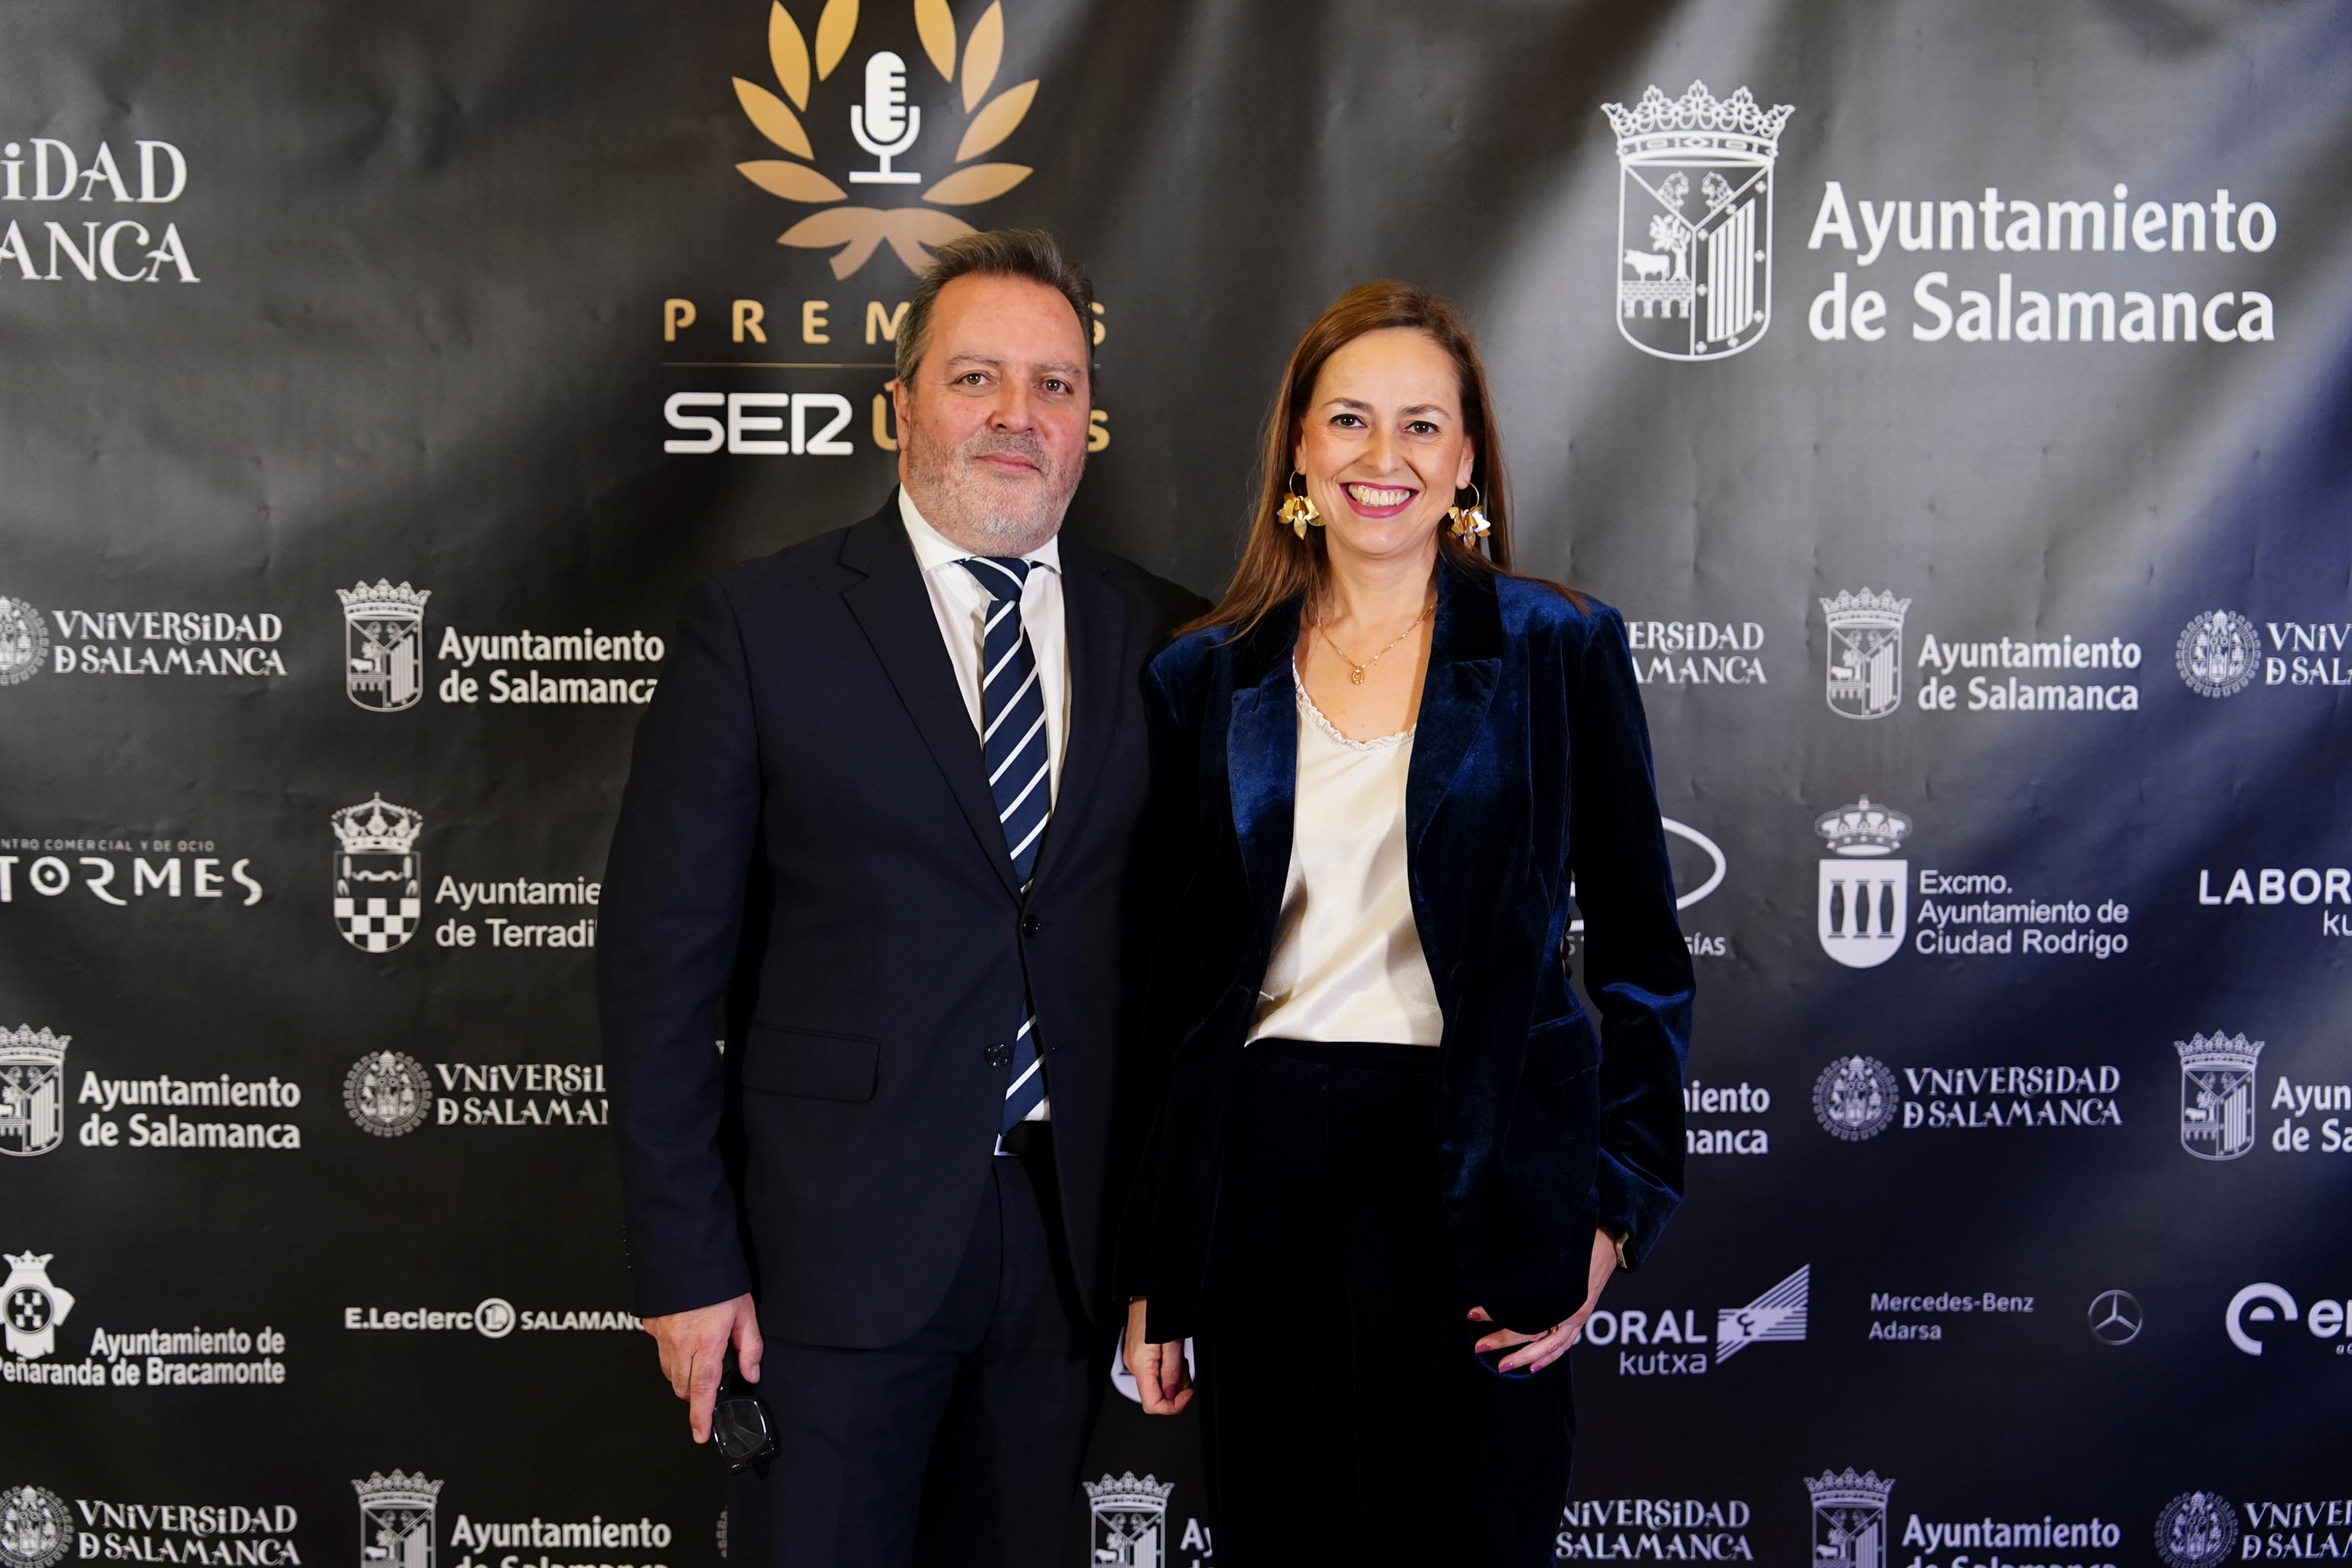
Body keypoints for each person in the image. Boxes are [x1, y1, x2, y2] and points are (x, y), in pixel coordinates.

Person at [598, 228, 1201, 1568]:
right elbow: (656, 972)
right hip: (827, 1258)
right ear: (901, 407)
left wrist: (1174, 1254)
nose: (1016, 415)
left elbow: (1188, 983)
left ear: (1089, 424)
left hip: (1069, 1254)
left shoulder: (1168, 637)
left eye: (1055, 385)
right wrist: (688, 1265)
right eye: (976, 376)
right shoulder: (760, 629)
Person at [1116, 280, 1694, 1565]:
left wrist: (1612, 1217)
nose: (1388, 459)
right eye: (1354, 423)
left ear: (1470, 455)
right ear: (1301, 450)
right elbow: (1169, 996)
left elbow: (1650, 961)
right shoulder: (1202, 676)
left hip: (1479, 1182)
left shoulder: (1560, 649)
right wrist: (1161, 1260)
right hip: (1261, 1185)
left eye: (1424, 427)